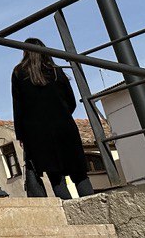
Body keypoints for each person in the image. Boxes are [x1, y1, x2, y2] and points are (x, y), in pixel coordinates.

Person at [12, 38, 94, 199]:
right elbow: (71, 101)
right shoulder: (56, 71)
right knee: (79, 174)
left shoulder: (19, 73)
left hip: (38, 134)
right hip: (64, 128)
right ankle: (94, 211)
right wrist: (61, 115)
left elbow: (18, 107)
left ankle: (71, 216)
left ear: (25, 52)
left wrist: (21, 135)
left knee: (56, 177)